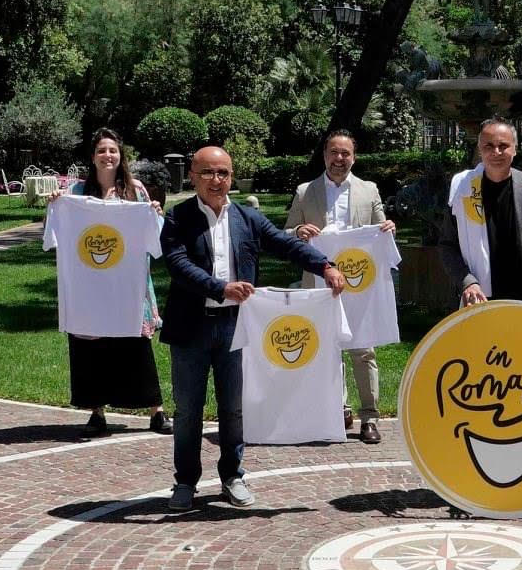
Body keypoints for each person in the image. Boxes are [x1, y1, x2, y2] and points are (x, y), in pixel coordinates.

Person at [160, 145, 345, 511]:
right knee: (187, 411)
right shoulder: (177, 217)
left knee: (234, 408)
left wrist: (325, 265)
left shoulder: (246, 218)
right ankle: (185, 482)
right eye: (209, 173)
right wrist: (219, 288)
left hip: (238, 328)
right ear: (193, 176)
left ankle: (233, 475)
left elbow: (285, 244)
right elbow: (177, 263)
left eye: (224, 173)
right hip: (191, 329)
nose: (217, 181)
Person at [53, 127, 167, 435]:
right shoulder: (75, 193)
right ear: (92, 157)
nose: (107, 156)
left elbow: (154, 236)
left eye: (112, 150)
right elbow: (57, 233)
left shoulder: (136, 191)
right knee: (91, 346)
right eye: (101, 150)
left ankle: (156, 410)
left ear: (120, 156)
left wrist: (154, 213)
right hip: (88, 286)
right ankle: (97, 412)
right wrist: (55, 207)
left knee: (136, 345)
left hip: (127, 284)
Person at [286, 129, 397, 443]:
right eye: (333, 153)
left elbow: (381, 226)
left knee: (363, 350)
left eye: (345, 153)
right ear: (324, 155)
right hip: (319, 281)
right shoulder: (306, 191)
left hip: (359, 282)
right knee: (326, 349)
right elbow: (286, 231)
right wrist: (298, 231)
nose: (339, 159)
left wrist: (387, 227)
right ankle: (339, 408)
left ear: (354, 156)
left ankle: (369, 418)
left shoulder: (369, 189)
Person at [441, 118, 522, 308]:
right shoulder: (461, 190)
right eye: (489, 146)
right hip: (478, 297)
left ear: (514, 148)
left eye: (503, 145)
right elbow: (448, 246)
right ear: (480, 149)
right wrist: (467, 282)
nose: (496, 152)